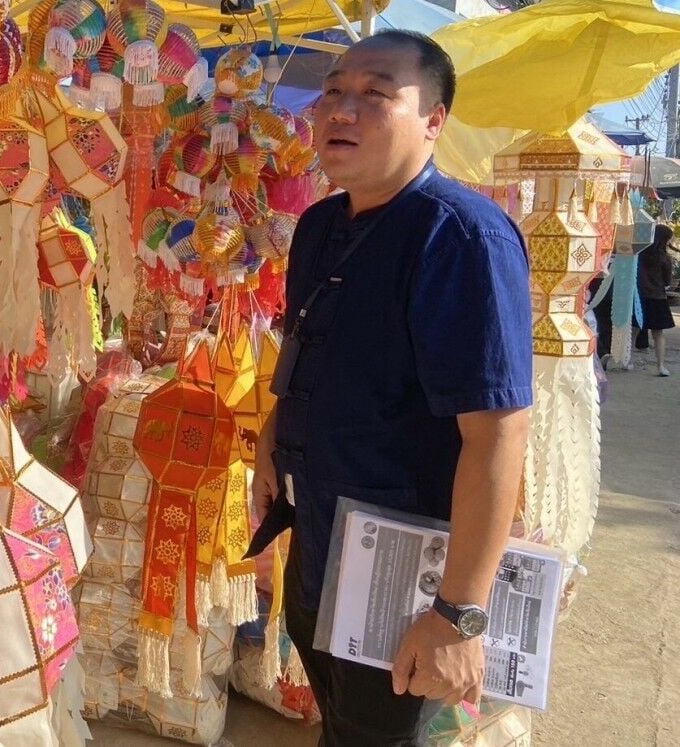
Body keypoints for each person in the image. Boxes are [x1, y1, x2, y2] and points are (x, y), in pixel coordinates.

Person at [249, 31, 533, 745]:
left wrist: (458, 613)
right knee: (343, 724)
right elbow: (304, 355)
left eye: (376, 94)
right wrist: (271, 447)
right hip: (320, 546)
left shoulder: (461, 238)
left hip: (408, 581)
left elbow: (499, 431)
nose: (342, 109)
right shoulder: (318, 225)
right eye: (335, 91)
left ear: (433, 121)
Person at [635, 224, 674, 376]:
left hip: (640, 296)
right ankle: (661, 366)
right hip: (658, 298)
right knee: (658, 334)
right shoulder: (665, 258)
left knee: (635, 328)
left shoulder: (640, 254)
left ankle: (626, 360)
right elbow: (667, 281)